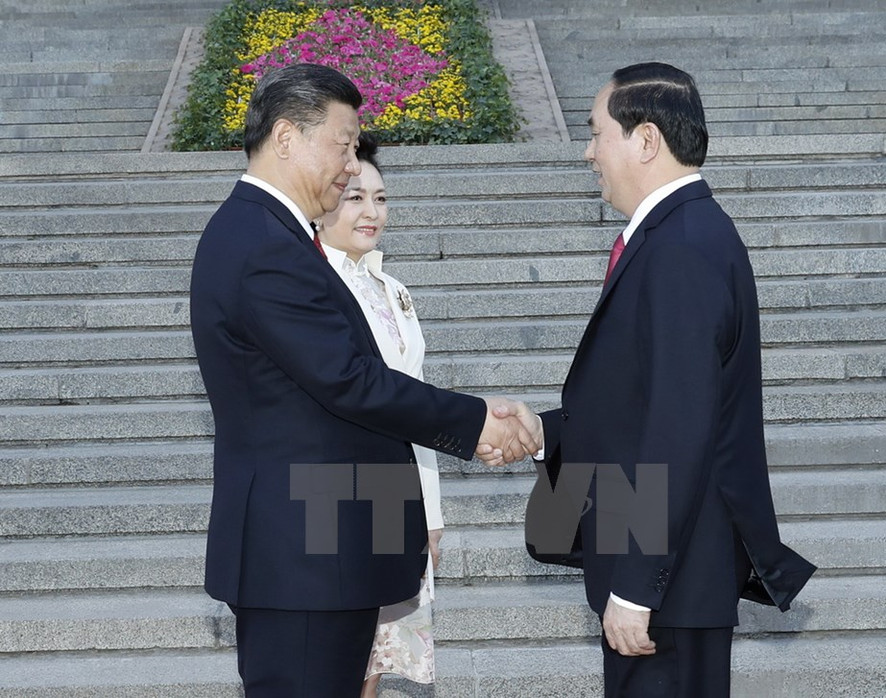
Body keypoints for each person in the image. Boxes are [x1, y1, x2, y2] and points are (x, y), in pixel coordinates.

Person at [189, 63, 535, 697]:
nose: (352, 164)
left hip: (318, 552)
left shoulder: (271, 236)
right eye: (344, 143)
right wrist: (476, 421)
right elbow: (348, 380)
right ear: (287, 137)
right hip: (302, 558)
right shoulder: (264, 243)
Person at [489, 62, 817, 696]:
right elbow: (639, 405)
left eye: (595, 134)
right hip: (667, 569)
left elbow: (678, 427)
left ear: (644, 140)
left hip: (668, 579)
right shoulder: (676, 237)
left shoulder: (683, 247)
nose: (587, 153)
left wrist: (638, 585)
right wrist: (544, 434)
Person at [313, 132, 441, 696]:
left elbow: (416, 399)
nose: (371, 211)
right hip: (332, 488)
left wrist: (429, 511)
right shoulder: (310, 285)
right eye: (355, 196)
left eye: (381, 198)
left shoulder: (393, 290)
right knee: (335, 650)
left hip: (396, 485)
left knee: (377, 659)